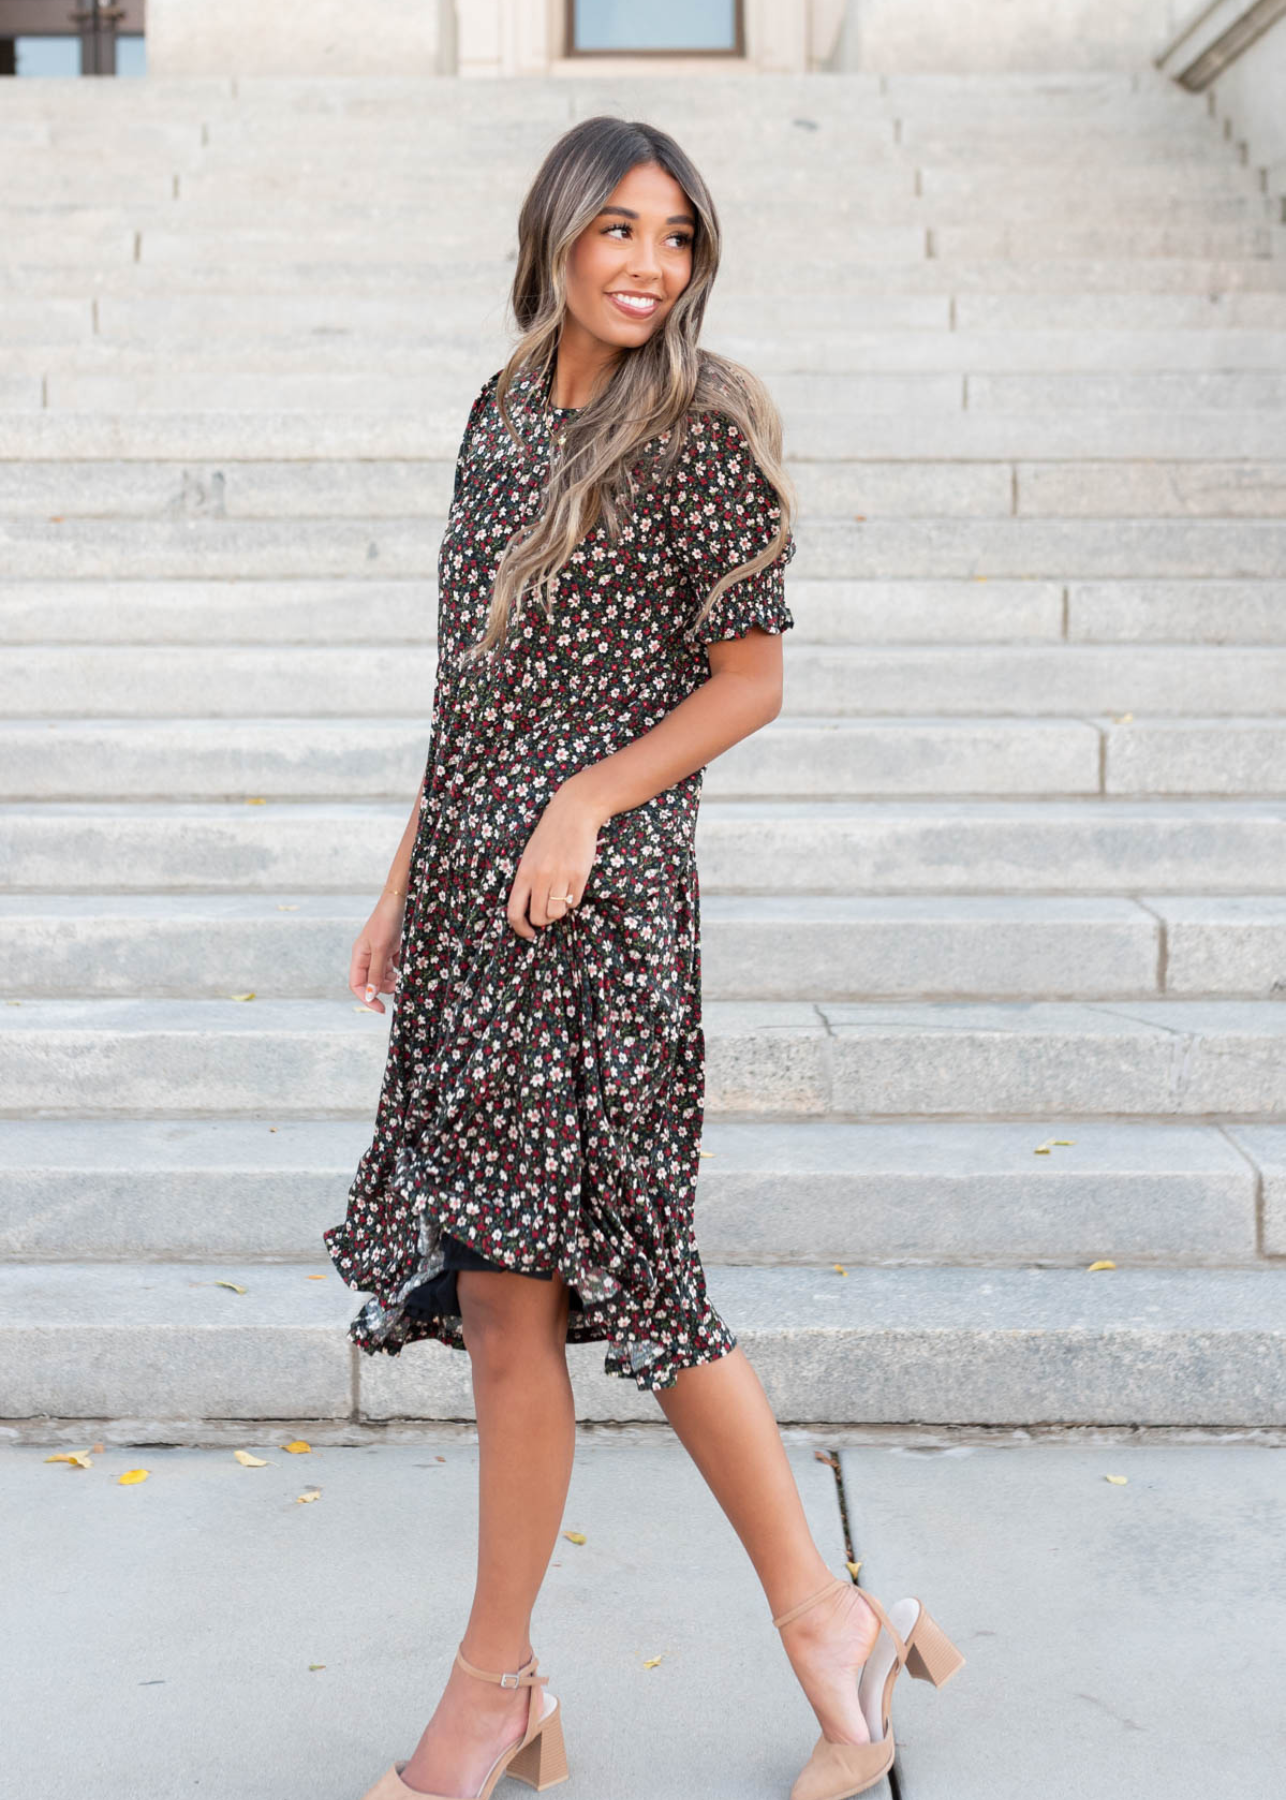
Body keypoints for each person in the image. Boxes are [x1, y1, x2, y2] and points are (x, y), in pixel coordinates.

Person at [323, 116, 961, 1800]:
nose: (644, 264)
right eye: (614, 228)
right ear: (551, 235)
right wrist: (408, 865)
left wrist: (586, 803)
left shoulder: (699, 432)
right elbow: (473, 682)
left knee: (625, 1283)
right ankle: (565, 1675)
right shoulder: (496, 411)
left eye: (674, 236)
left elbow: (750, 680)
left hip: (596, 911)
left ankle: (751, 1636)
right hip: (475, 901)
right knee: (500, 1293)